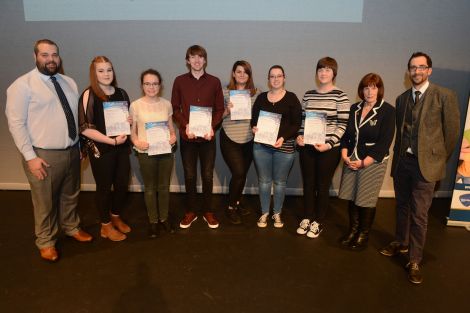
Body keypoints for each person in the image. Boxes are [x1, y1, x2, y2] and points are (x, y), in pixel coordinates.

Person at [5, 39, 92, 262]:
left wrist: (80, 144)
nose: (50, 59)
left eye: (54, 55)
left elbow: (73, 117)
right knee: (45, 202)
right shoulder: (22, 85)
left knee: (70, 195)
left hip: (71, 150)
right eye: (45, 55)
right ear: (35, 57)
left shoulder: (68, 82)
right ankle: (45, 241)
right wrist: (30, 158)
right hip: (42, 155)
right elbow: (16, 124)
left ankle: (72, 227)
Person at [379, 52, 460, 284]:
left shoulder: (445, 96)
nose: (417, 71)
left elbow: (452, 133)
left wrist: (438, 159)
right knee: (402, 206)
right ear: (409, 71)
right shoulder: (403, 98)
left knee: (420, 213)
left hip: (428, 166)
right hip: (403, 163)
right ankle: (400, 242)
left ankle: (414, 259)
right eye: (413, 68)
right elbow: (402, 131)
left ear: (429, 70)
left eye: (421, 67)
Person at [338, 73, 395, 250]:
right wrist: (344, 154)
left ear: (379, 90)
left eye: (373, 87)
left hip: (373, 162)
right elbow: (347, 136)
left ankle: (364, 234)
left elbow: (385, 142)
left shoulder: (388, 111)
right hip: (351, 158)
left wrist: (364, 162)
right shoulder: (354, 108)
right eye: (366, 87)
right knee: (351, 196)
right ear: (361, 90)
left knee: (365, 199)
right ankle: (353, 230)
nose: (369, 91)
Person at [296, 57, 350, 238]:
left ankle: (318, 221)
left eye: (327, 70)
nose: (323, 73)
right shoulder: (308, 94)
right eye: (320, 69)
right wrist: (300, 137)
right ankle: (307, 217)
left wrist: (329, 144)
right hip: (308, 147)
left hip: (329, 149)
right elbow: (303, 121)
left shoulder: (340, 96)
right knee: (309, 184)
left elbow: (343, 125)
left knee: (322, 185)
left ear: (334, 73)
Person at [79, 56, 132, 242]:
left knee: (122, 183)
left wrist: (129, 121)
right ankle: (105, 226)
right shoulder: (89, 94)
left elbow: (127, 120)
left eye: (109, 70)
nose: (106, 74)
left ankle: (115, 215)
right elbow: (85, 128)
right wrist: (112, 142)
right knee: (104, 187)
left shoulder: (122, 93)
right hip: (102, 149)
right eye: (101, 71)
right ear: (94, 73)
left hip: (121, 147)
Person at [171, 45, 224, 229]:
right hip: (188, 139)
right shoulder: (179, 81)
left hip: (208, 138)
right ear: (187, 60)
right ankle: (191, 211)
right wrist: (186, 126)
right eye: (193, 57)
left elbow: (219, 109)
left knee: (208, 176)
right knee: (190, 175)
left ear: (205, 60)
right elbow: (175, 109)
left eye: (200, 57)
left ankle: (208, 211)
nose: (197, 60)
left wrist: (212, 126)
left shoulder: (215, 82)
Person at [251, 65, 302, 228]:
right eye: (272, 76)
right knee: (264, 181)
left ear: (284, 78)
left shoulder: (292, 98)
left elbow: (296, 124)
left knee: (280, 182)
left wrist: (283, 137)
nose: (275, 79)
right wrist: (254, 128)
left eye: (279, 76)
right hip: (261, 147)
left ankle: (277, 213)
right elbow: (254, 120)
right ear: (268, 79)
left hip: (285, 147)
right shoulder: (261, 98)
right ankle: (265, 212)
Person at [130, 69, 176, 238]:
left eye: (155, 83)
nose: (151, 87)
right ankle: (153, 221)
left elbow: (171, 128)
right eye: (147, 83)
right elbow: (132, 132)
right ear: (142, 85)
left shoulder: (166, 104)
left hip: (165, 151)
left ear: (160, 85)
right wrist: (136, 142)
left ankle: (164, 218)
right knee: (150, 188)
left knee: (164, 187)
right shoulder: (135, 105)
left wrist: (173, 137)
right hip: (145, 152)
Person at [220, 60, 259, 224]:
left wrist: (258, 127)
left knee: (242, 175)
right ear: (233, 74)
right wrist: (227, 110)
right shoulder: (224, 93)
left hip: (249, 139)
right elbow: (216, 117)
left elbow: (259, 116)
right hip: (229, 138)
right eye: (239, 71)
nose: (242, 75)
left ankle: (237, 200)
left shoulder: (256, 94)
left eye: (245, 72)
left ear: (249, 75)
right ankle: (231, 207)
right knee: (238, 173)